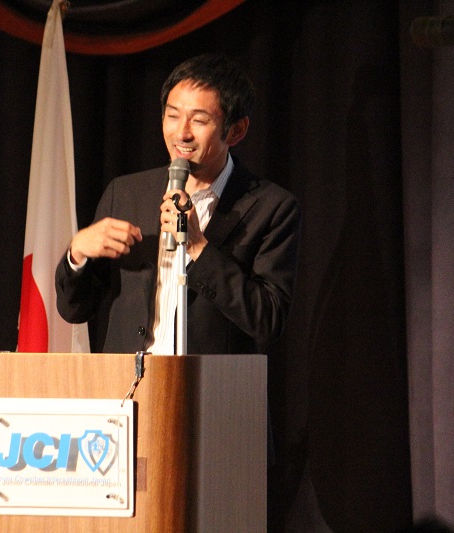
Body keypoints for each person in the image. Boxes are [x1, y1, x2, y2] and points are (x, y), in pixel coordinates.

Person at [55, 53, 300, 355]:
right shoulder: (127, 193)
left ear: (236, 130)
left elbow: (269, 319)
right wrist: (77, 254)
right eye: (172, 116)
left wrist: (198, 247)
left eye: (199, 120)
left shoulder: (271, 208)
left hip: (208, 382)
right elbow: (75, 310)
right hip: (127, 381)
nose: (182, 133)